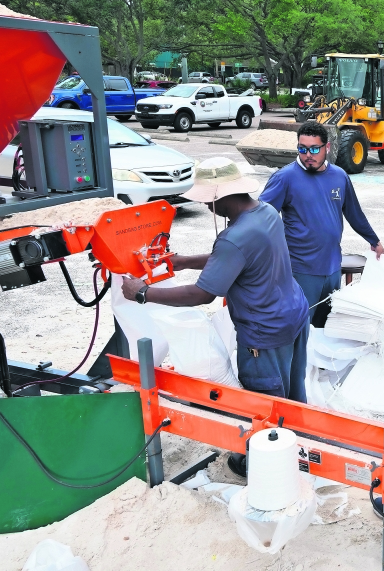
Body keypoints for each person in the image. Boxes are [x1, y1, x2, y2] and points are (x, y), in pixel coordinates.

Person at [120, 157, 310, 403]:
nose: (208, 206)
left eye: (208, 200)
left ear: (222, 196)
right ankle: (301, 437)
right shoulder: (267, 212)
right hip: (294, 315)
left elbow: (201, 294)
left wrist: (142, 292)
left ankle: (282, 439)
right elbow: (238, 258)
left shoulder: (234, 237)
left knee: (268, 407)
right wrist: (186, 261)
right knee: (295, 396)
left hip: (266, 334)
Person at [259, 121, 383, 328]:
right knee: (299, 329)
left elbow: (354, 213)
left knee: (327, 328)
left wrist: (374, 240)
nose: (308, 154)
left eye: (314, 149)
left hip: (333, 268)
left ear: (327, 147)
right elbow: (260, 216)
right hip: (301, 270)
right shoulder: (285, 178)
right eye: (302, 149)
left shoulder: (339, 176)